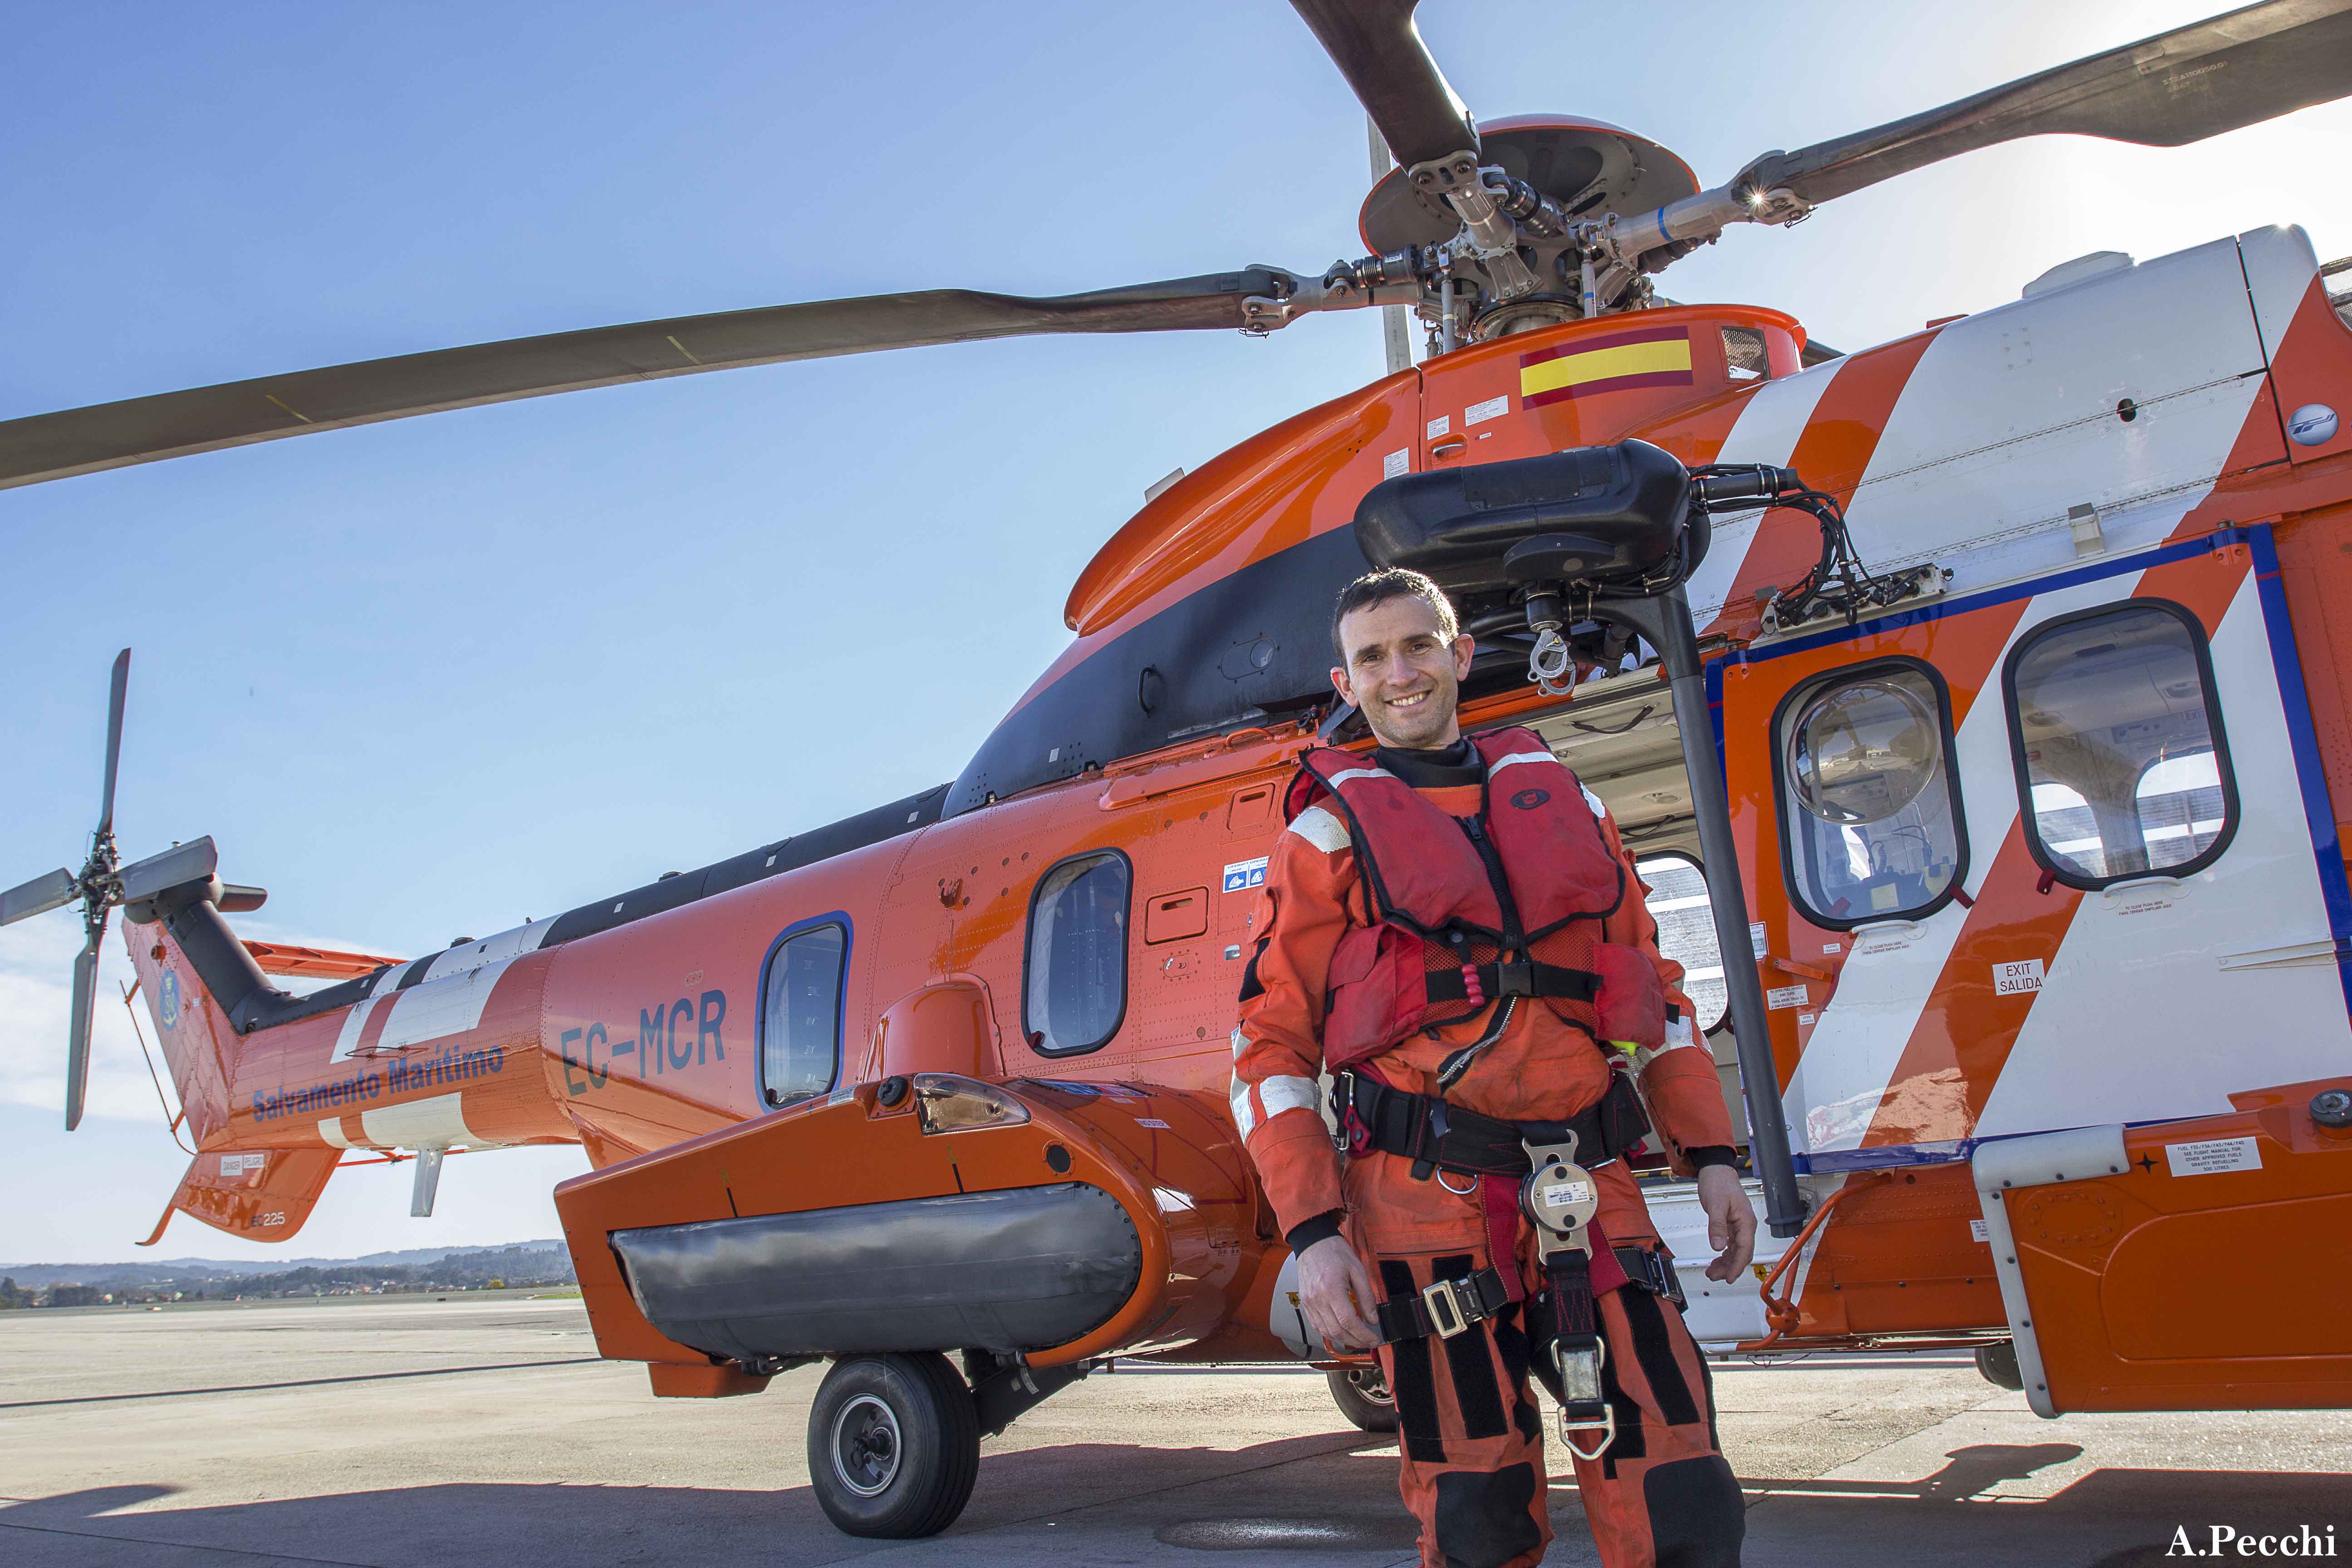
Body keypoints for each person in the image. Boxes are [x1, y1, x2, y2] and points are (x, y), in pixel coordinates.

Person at [1231, 567, 1756, 1568]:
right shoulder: (1323, 839)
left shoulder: (1572, 804)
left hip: (1591, 1188)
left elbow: (1655, 999)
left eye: (1419, 644)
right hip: (1423, 1203)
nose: (1402, 673)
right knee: (1477, 1514)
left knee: (1684, 1492)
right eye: (1373, 657)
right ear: (1346, 684)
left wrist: (1713, 1153)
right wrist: (1312, 1232)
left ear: (1460, 654)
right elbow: (1269, 1054)